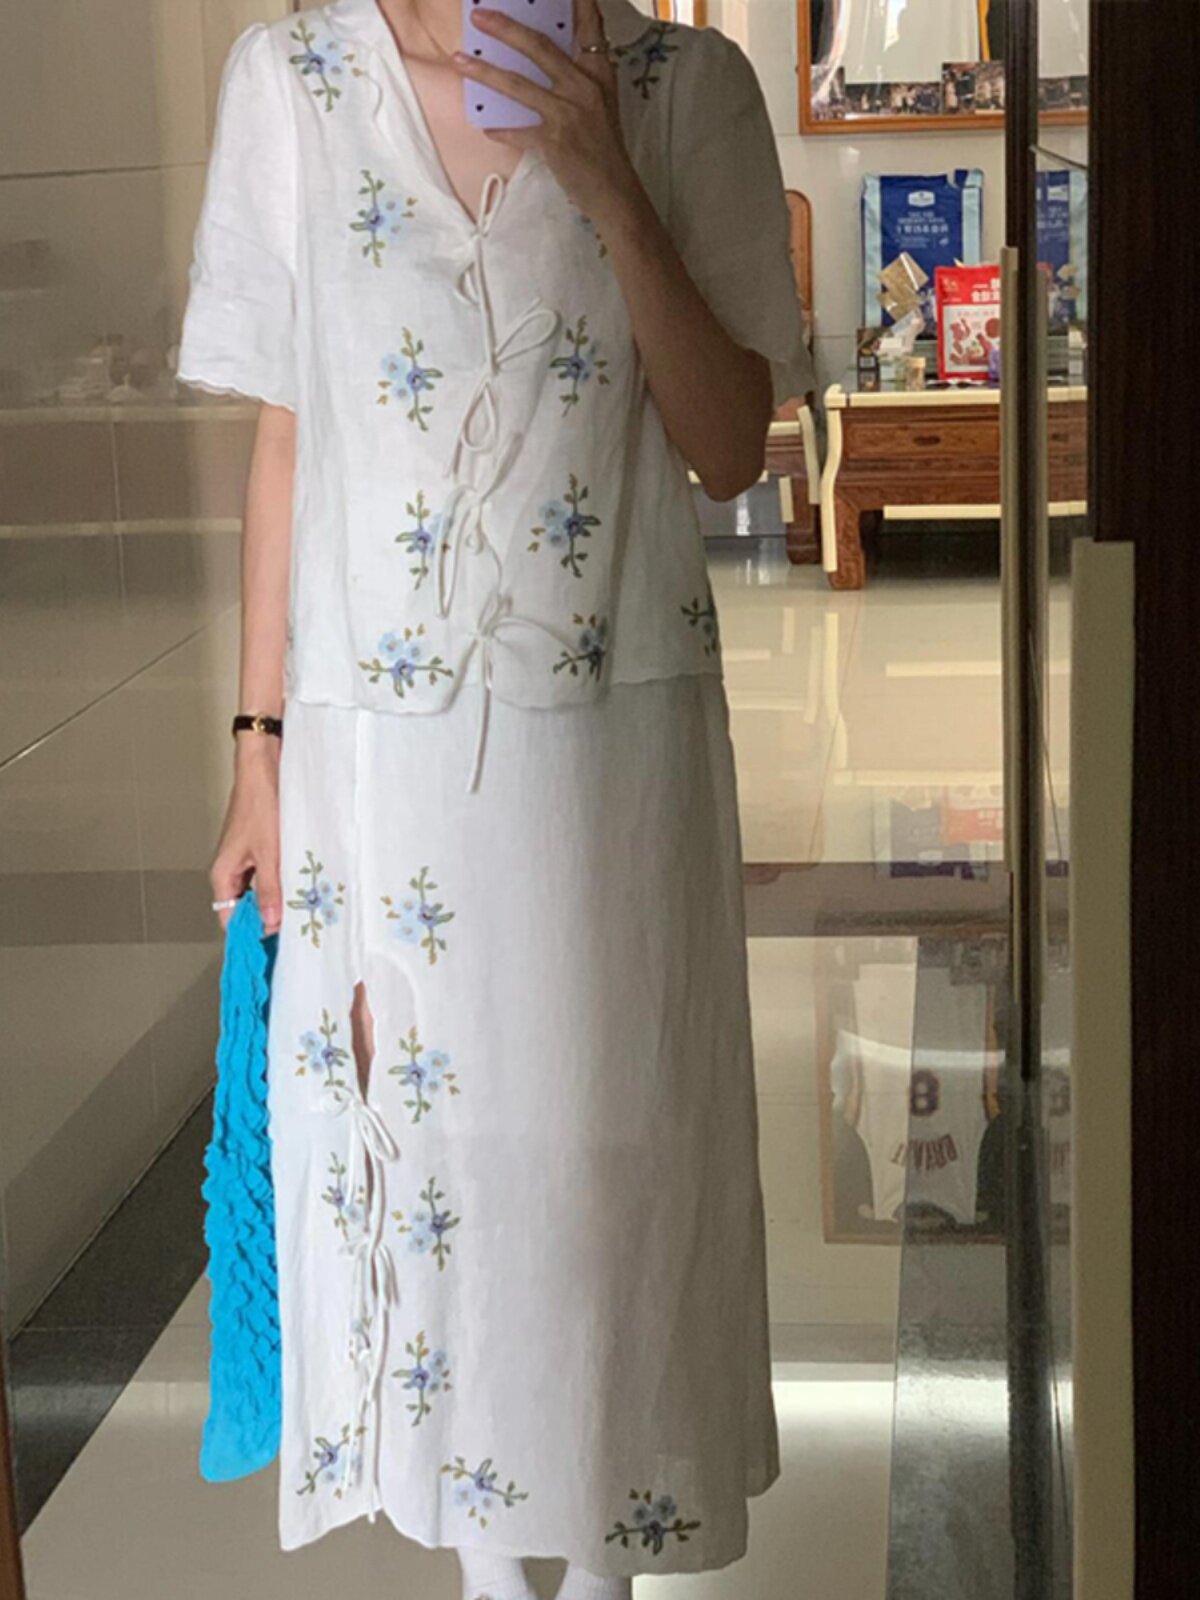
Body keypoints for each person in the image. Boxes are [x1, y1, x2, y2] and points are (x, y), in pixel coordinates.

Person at [179, 0, 811, 1595]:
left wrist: (607, 181)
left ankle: (599, 1555)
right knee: (428, 1157)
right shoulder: (298, 84)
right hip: (372, 766)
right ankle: (483, 1561)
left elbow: (732, 448)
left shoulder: (688, 89)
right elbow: (286, 438)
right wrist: (257, 750)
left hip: (609, 758)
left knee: (605, 1150)